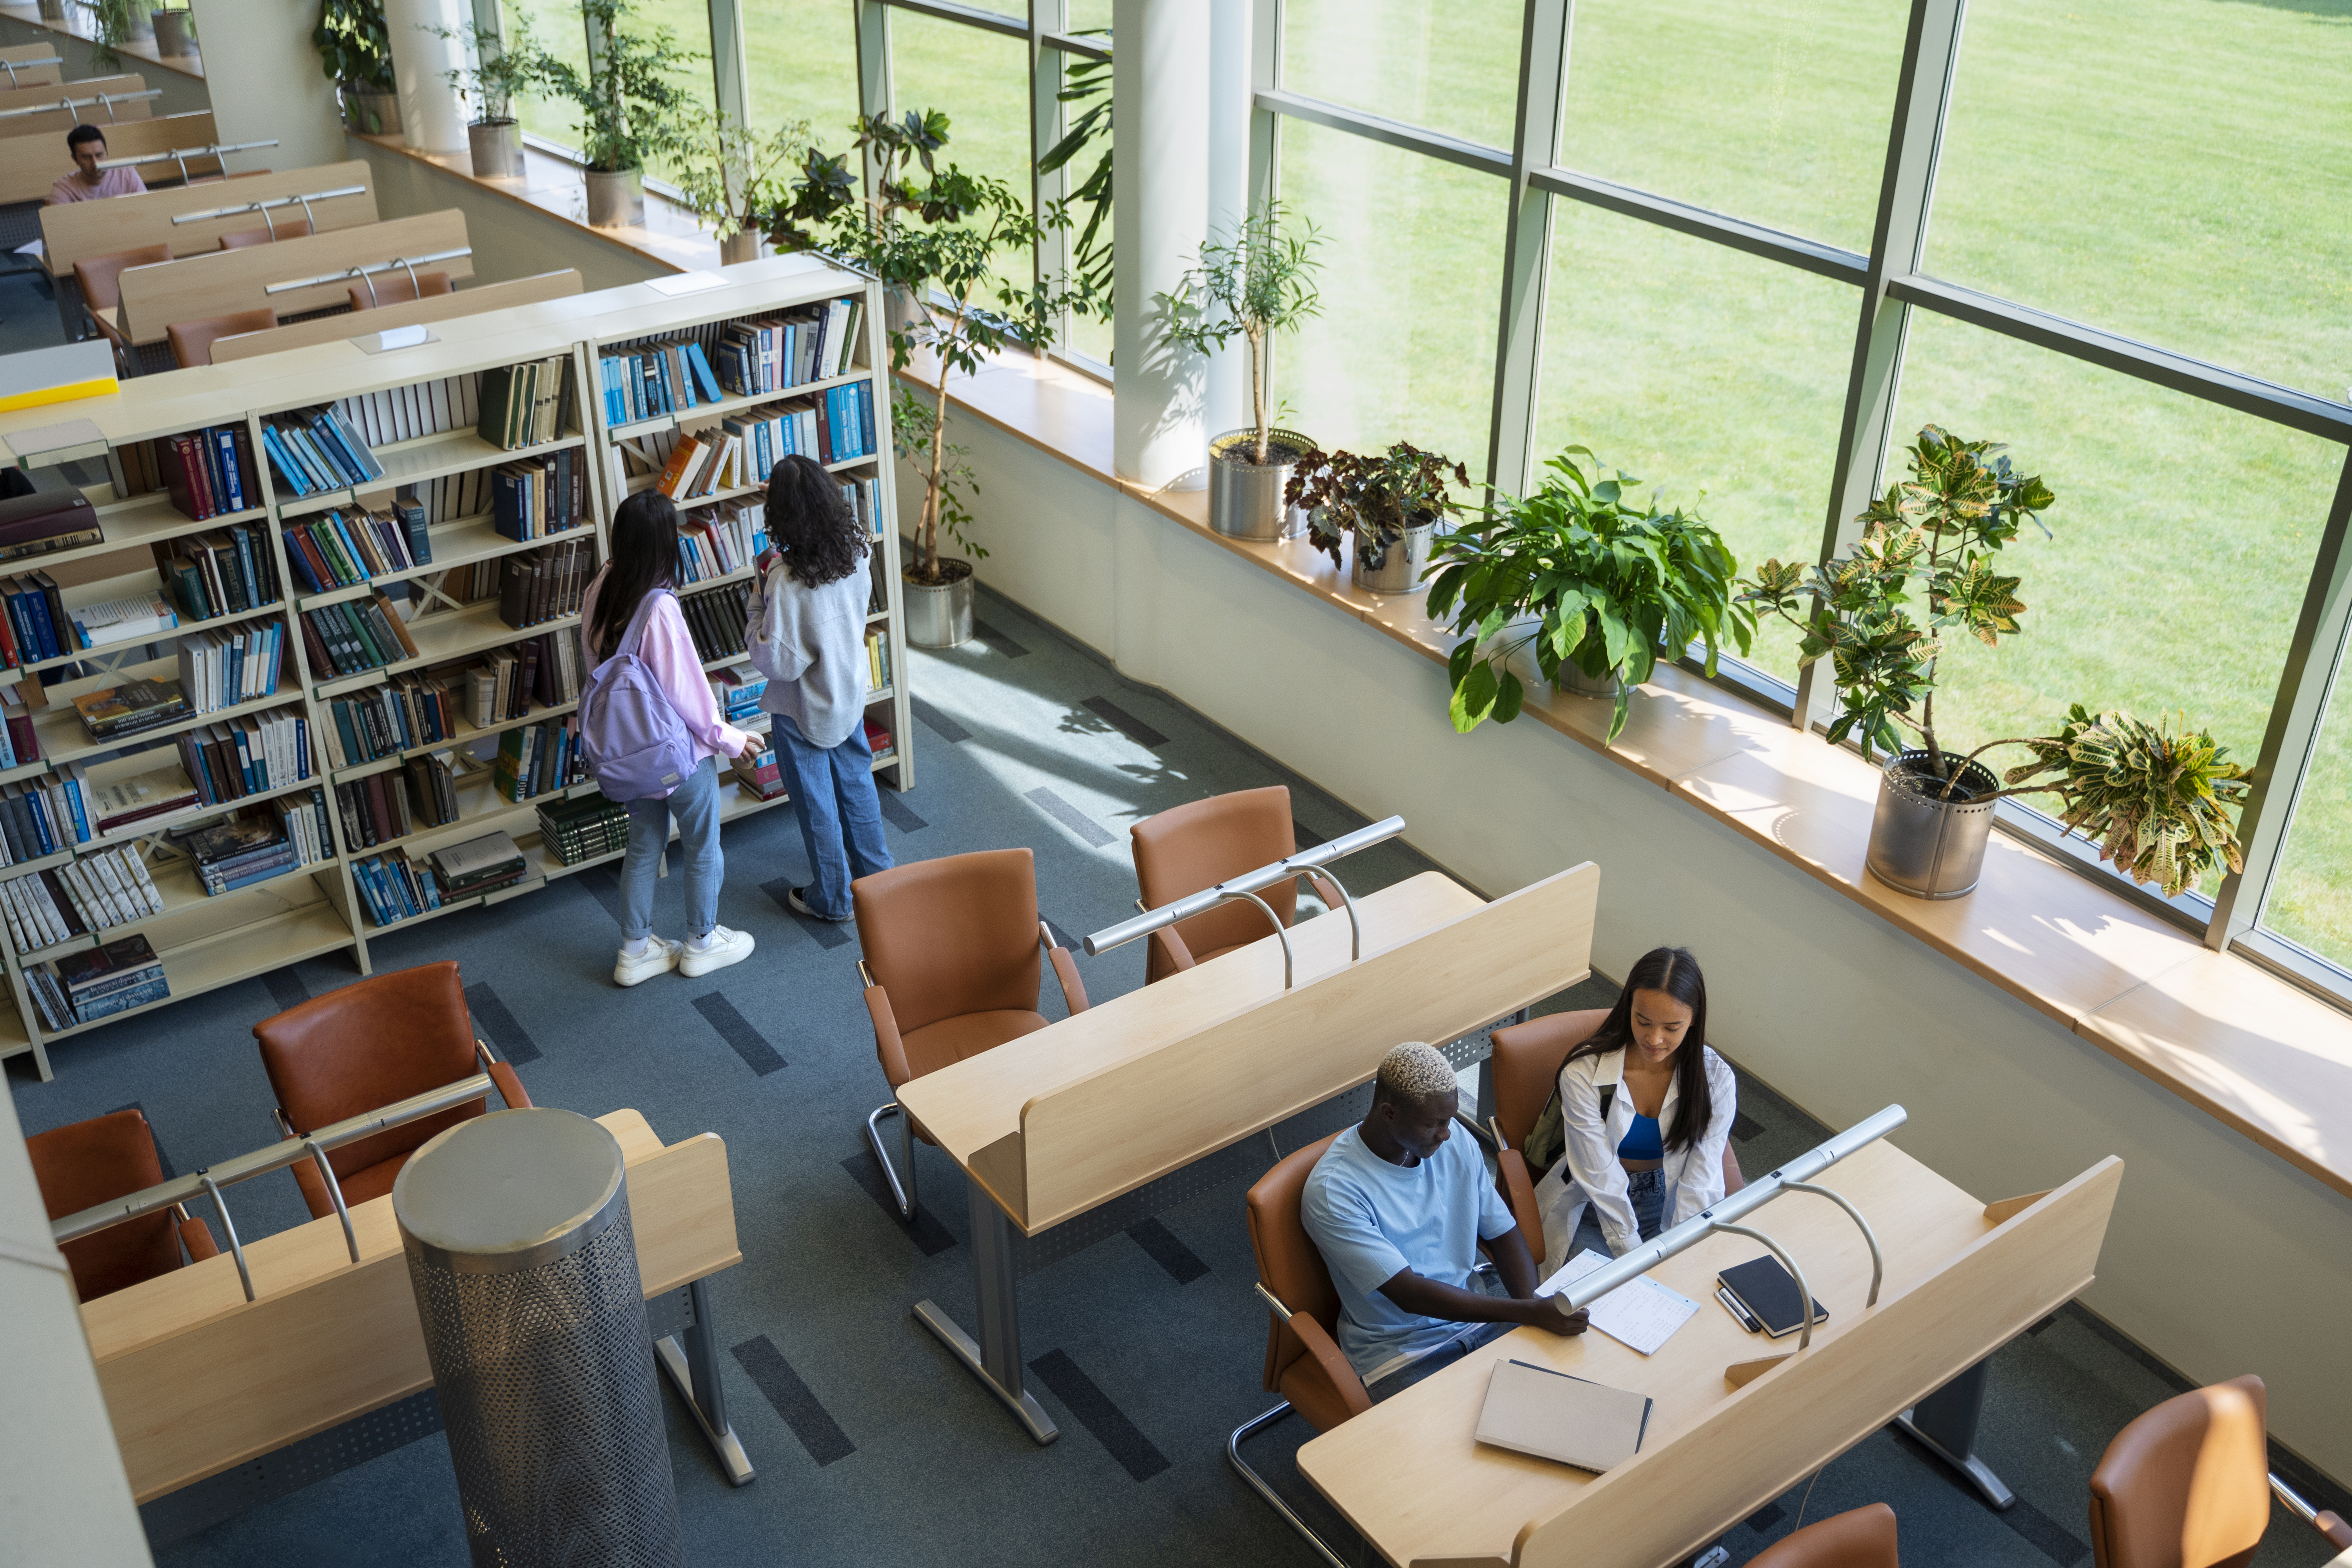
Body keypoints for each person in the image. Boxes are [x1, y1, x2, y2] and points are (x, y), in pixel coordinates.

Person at [1302, 1041, 1588, 1391]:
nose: (1446, 1134)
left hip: (1478, 1321)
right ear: (1389, 1113)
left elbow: (1502, 1233)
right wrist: (1527, 1314)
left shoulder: (1452, 1143)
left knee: (1572, 1393)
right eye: (1432, 1124)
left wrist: (1533, 1307)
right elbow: (1410, 1295)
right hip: (1402, 1354)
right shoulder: (1335, 1191)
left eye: (1450, 1119)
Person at [582, 490, 760, 985]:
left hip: (626, 756)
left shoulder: (599, 586)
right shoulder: (659, 607)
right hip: (675, 757)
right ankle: (702, 943)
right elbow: (689, 695)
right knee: (703, 842)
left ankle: (635, 950)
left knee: (644, 845)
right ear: (665, 544)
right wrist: (731, 739)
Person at [744, 453, 892, 921]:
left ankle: (833, 898)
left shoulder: (784, 582)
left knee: (816, 805)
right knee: (857, 784)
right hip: (847, 691)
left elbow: (778, 661)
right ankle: (883, 884)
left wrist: (756, 601)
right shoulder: (857, 550)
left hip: (802, 708)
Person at [1529, 946, 1738, 1273]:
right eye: (1643, 1022)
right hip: (1595, 1208)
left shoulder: (1717, 1080)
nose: (1655, 1039)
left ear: (1694, 1021)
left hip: (1671, 1202)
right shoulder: (1584, 1073)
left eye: (1672, 1028)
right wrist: (1635, 1258)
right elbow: (1601, 1179)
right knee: (1606, 1299)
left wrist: (1679, 1250)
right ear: (1629, 1007)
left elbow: (1700, 1180)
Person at [47, 125, 147, 206]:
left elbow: (148, 208)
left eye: (99, 155)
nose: (95, 163)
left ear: (107, 152)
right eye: (86, 157)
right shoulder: (64, 189)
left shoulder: (126, 173)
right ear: (75, 159)